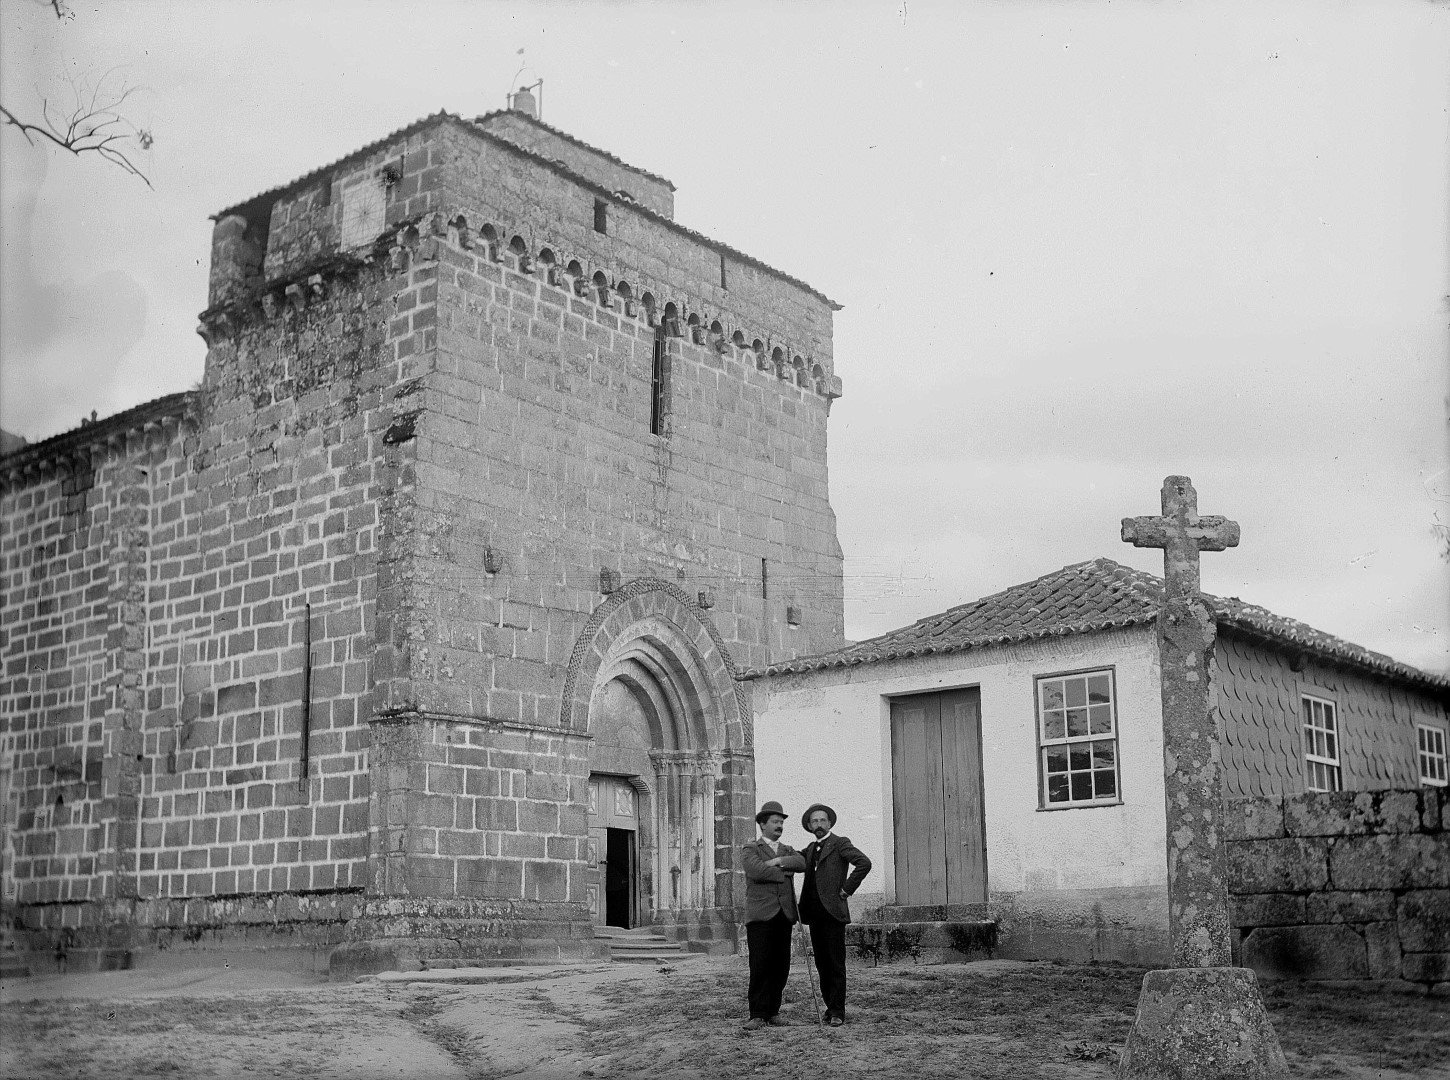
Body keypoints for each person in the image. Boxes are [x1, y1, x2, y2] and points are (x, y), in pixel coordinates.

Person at [798, 802, 872, 1027]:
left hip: (833, 915)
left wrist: (847, 889)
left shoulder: (840, 844)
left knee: (835, 964)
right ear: (809, 826)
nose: (818, 824)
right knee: (821, 964)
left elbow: (864, 863)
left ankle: (838, 1011)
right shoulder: (810, 849)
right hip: (815, 916)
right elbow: (793, 861)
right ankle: (829, 1008)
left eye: (822, 820)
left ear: (829, 823)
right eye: (814, 821)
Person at [739, 800, 806, 1030]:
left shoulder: (786, 850)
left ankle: (773, 1011)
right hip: (760, 916)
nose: (779, 826)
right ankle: (757, 1014)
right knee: (760, 964)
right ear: (762, 824)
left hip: (784, 915)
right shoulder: (751, 849)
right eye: (775, 822)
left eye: (781, 822)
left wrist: (778, 862)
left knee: (781, 965)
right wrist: (784, 874)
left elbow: (801, 862)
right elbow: (755, 870)